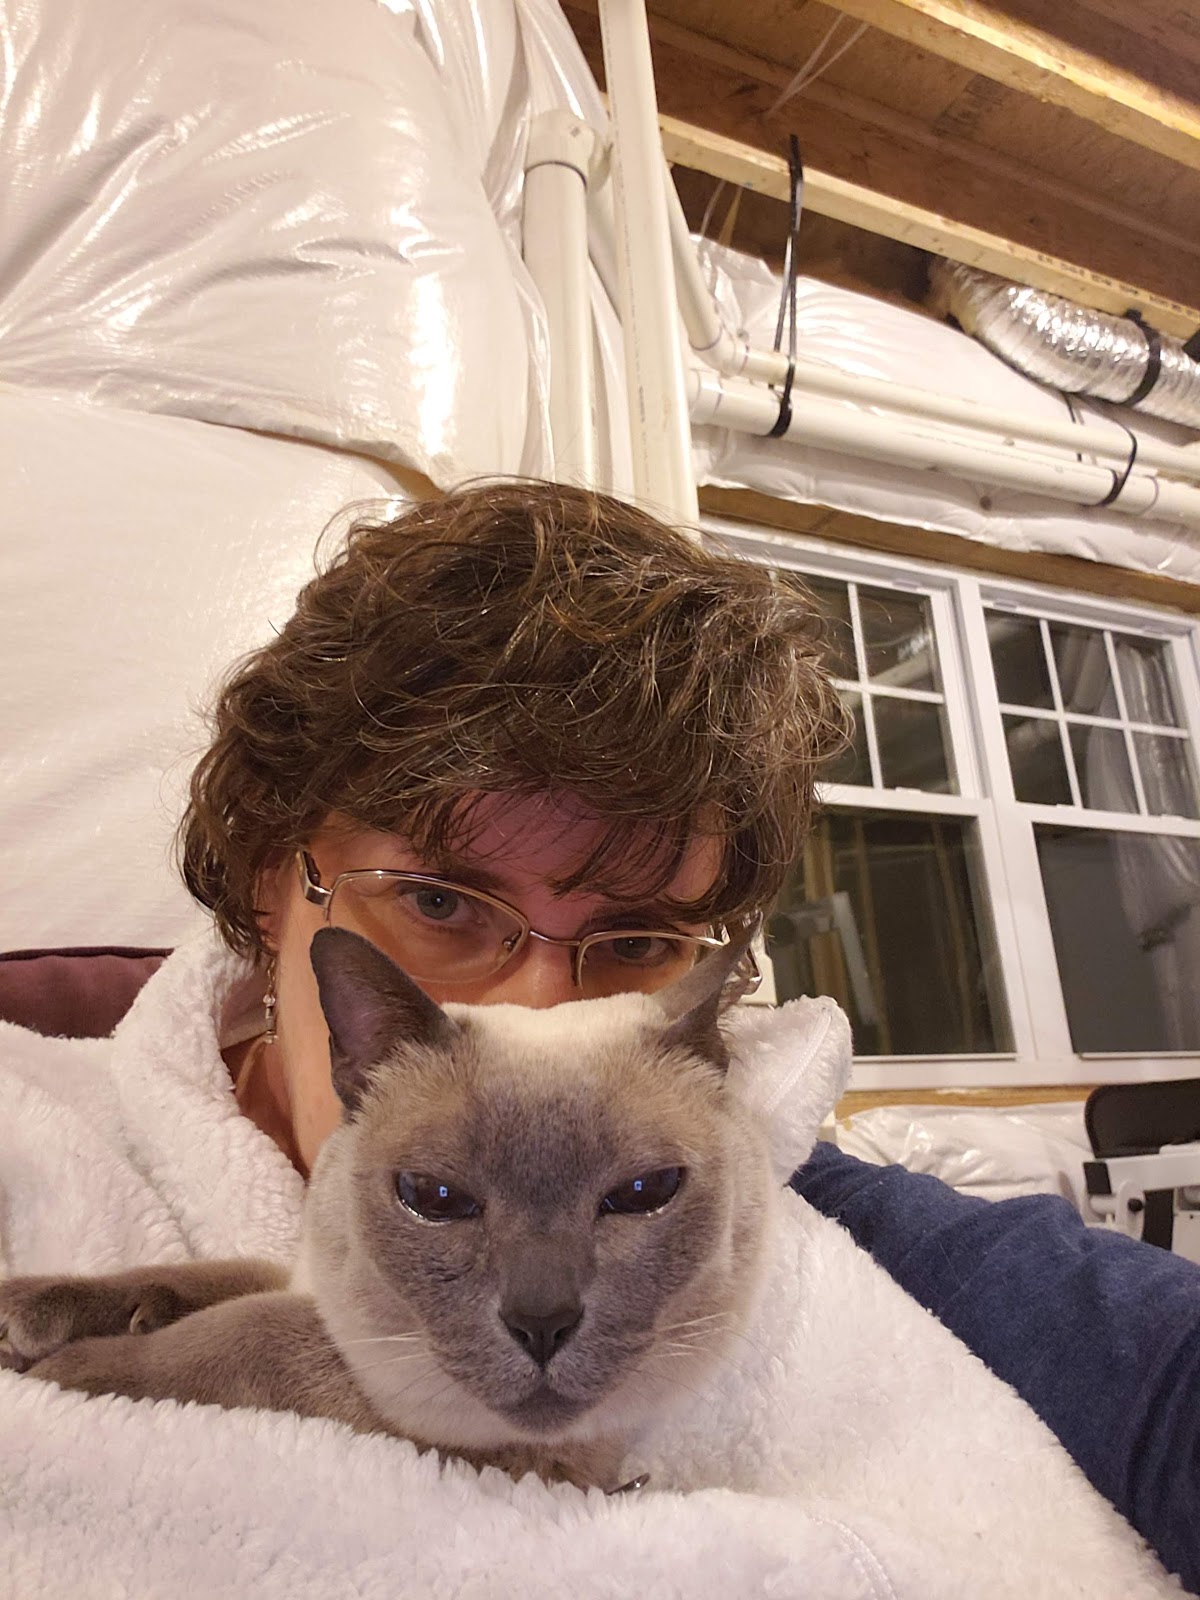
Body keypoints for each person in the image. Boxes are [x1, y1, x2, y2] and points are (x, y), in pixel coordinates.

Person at [3, 479, 1197, 1591]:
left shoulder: (768, 1186)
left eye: (633, 938)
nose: (539, 1017)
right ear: (274, 878)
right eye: (441, 903)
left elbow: (1149, 1364)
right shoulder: (31, 1129)